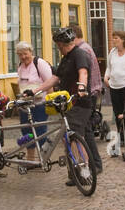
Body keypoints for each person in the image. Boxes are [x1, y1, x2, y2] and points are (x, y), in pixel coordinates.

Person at [43, 25, 103, 184]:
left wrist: (82, 87)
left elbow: (83, 72)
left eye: (58, 46)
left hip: (80, 102)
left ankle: (84, 172)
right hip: (67, 104)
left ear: (61, 44)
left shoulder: (80, 54)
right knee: (67, 138)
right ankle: (75, 172)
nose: (58, 49)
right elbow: (56, 78)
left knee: (76, 137)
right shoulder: (66, 58)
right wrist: (36, 90)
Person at [14, 41, 52, 162]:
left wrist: (51, 100)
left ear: (31, 52)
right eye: (20, 55)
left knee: (39, 131)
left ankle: (42, 158)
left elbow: (50, 82)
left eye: (25, 53)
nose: (23, 57)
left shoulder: (39, 63)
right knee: (26, 131)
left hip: (39, 104)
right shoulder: (20, 65)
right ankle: (30, 158)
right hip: (25, 104)